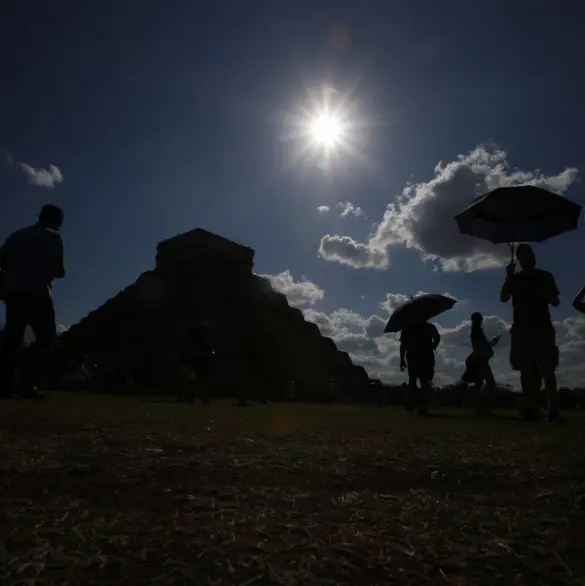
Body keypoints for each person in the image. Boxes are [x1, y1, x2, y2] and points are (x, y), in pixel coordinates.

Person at [0, 204, 65, 399]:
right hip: (38, 293)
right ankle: (27, 384)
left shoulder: (17, 236)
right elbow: (59, 270)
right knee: (45, 338)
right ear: (57, 222)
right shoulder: (53, 237)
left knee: (12, 338)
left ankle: (5, 385)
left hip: (14, 291)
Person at [500, 243, 560, 422]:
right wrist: (508, 278)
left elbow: (556, 301)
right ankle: (531, 409)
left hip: (542, 328)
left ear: (533, 257)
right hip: (521, 330)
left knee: (548, 370)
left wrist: (543, 293)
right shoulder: (515, 279)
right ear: (519, 260)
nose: (527, 259)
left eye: (529, 255)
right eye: (523, 256)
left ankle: (553, 409)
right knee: (527, 372)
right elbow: (503, 298)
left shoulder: (545, 276)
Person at [462, 312, 500, 416]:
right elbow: (481, 347)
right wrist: (491, 344)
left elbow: (483, 346)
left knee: (479, 385)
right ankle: (482, 407)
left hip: (480, 361)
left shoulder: (476, 331)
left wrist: (492, 343)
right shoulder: (476, 332)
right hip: (481, 361)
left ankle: (479, 407)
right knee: (489, 384)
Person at [399, 321, 440, 415]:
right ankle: (418, 404)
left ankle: (416, 404)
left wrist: (402, 359)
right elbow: (437, 337)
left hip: (419, 358)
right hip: (422, 358)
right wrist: (434, 345)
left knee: (418, 382)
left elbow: (403, 346)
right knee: (421, 382)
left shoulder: (407, 329)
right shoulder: (428, 327)